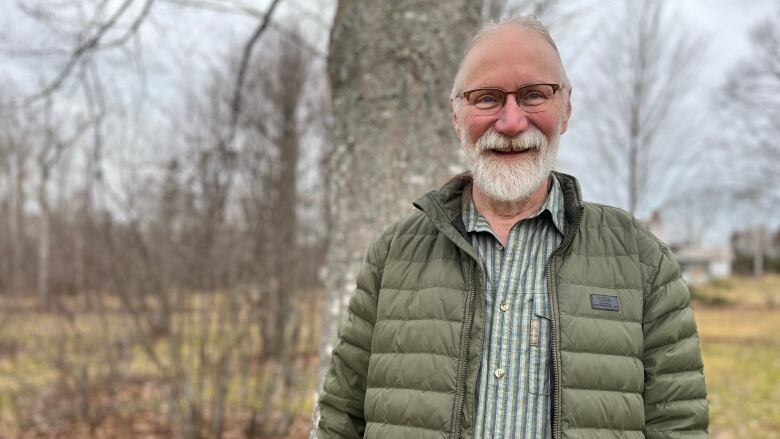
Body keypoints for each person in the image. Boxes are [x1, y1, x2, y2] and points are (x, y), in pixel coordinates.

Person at [317, 15, 708, 439]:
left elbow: (679, 427)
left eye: (534, 95)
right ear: (456, 114)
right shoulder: (392, 257)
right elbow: (340, 420)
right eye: (486, 98)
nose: (510, 122)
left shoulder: (642, 261)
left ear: (567, 108)